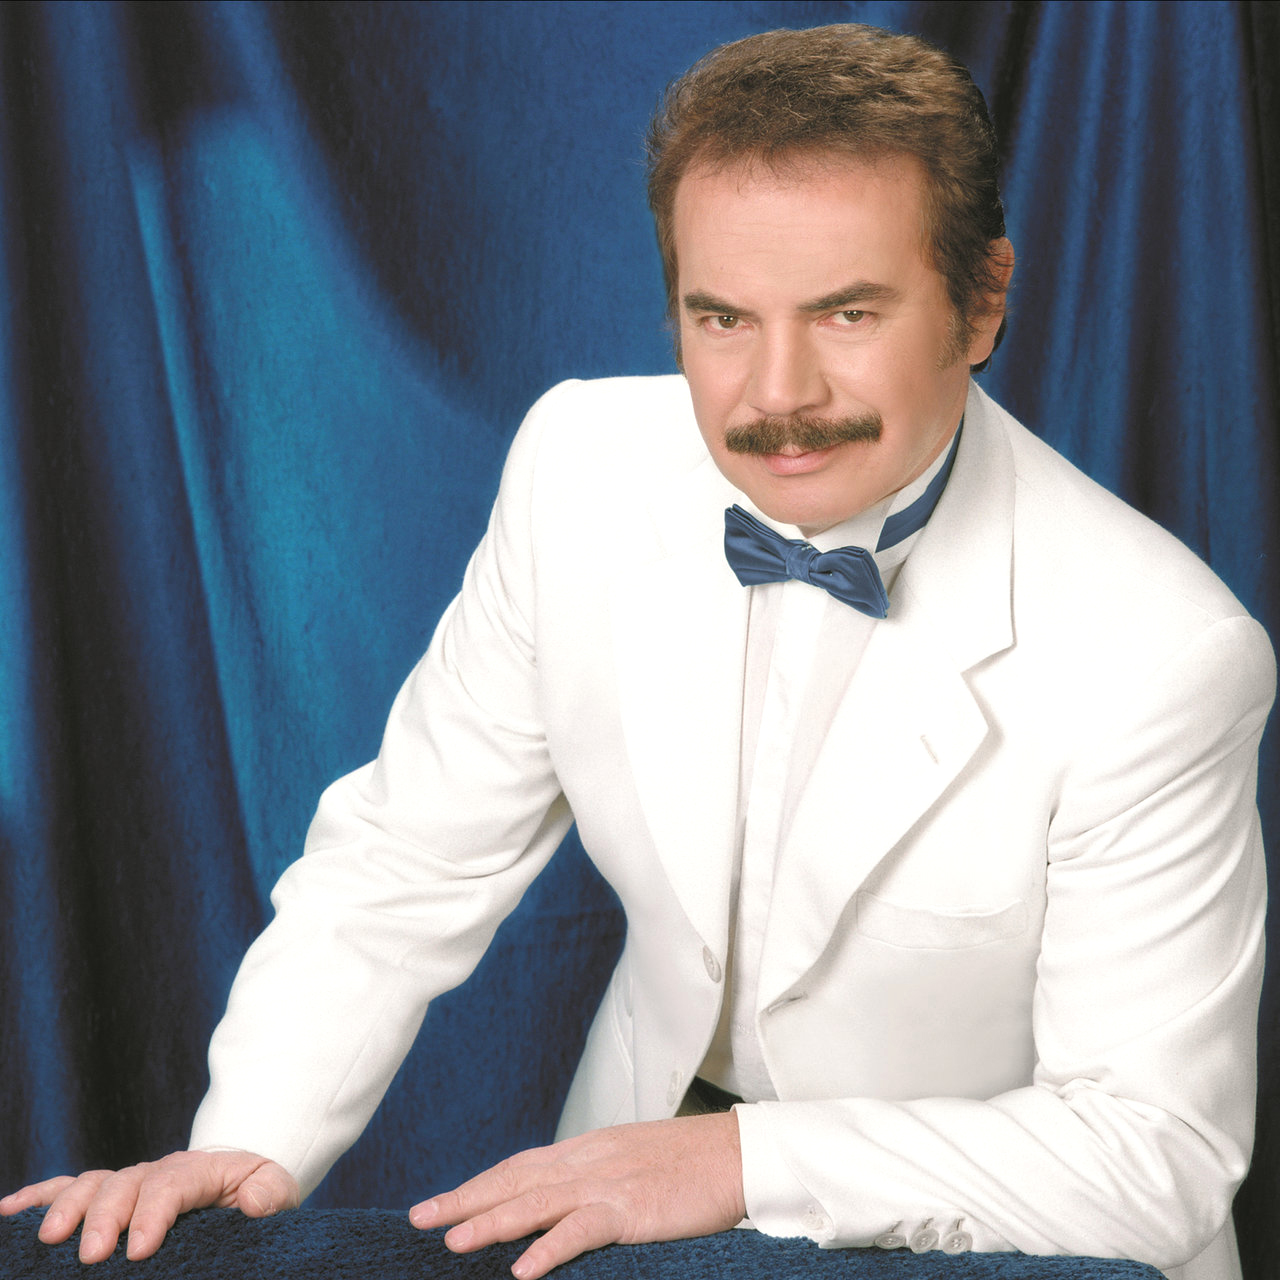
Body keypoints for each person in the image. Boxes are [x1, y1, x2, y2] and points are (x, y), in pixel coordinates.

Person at [3, 22, 1274, 1280]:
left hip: (993, 1249)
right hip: (617, 1209)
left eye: (844, 312)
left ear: (979, 300)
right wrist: (247, 1146)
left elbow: (1150, 1156)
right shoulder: (578, 467)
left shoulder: (1164, 653)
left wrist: (737, 1162)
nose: (776, 393)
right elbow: (405, 860)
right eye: (722, 318)